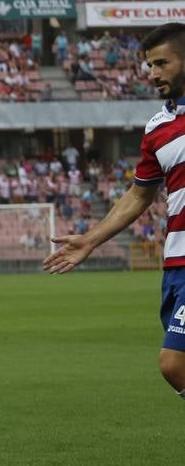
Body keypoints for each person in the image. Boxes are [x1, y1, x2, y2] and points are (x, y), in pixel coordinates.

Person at [46, 22, 185, 399]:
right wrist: (90, 240)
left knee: (174, 363)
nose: (153, 74)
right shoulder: (158, 127)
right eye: (149, 66)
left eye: (162, 63)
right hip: (175, 266)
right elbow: (139, 196)